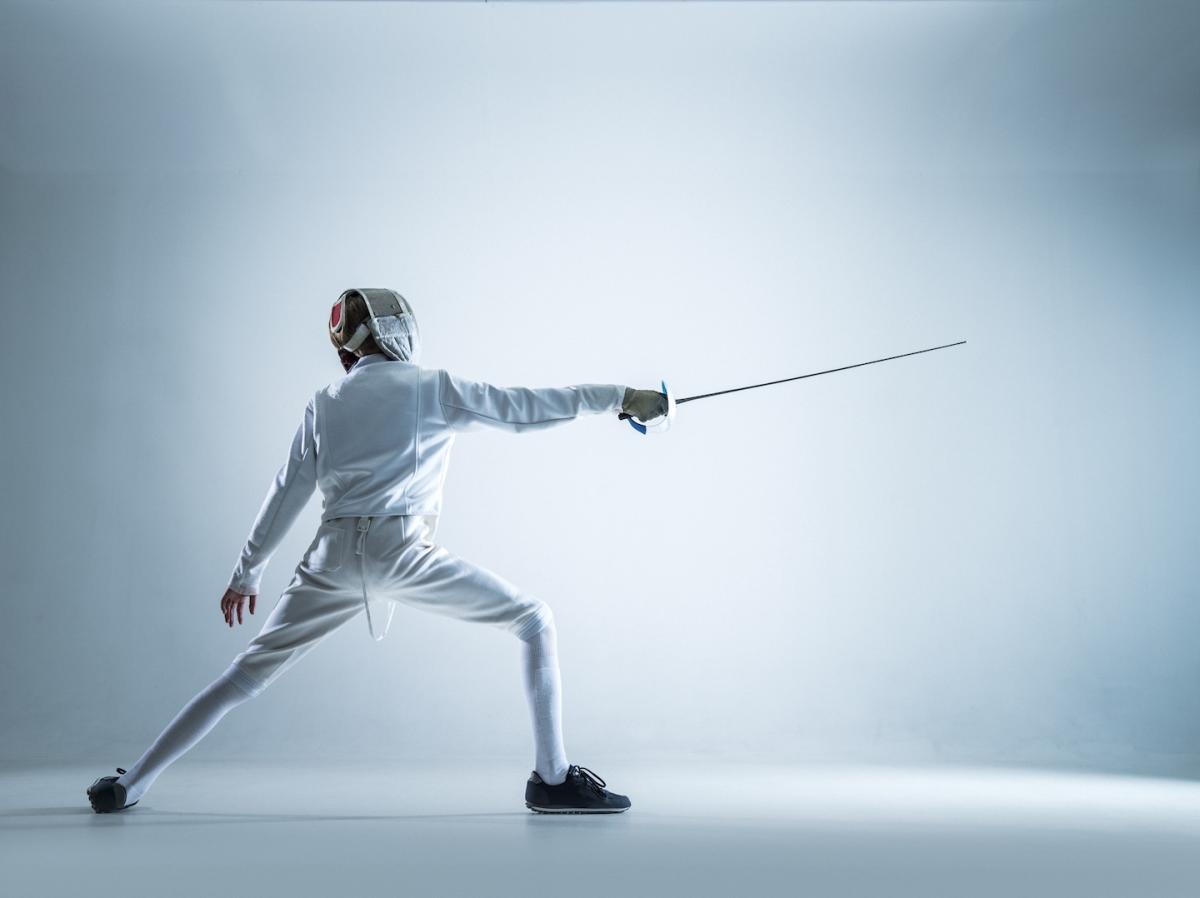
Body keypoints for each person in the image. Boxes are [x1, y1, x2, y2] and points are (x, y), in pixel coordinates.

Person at [86, 288, 668, 815]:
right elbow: (527, 408)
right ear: (396, 330)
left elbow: (286, 491)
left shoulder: (325, 401)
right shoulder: (432, 388)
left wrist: (247, 574)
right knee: (534, 621)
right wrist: (620, 398)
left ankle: (131, 783)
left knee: (242, 677)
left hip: (330, 560)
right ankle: (552, 779)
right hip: (402, 552)